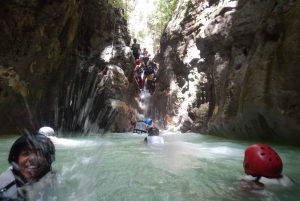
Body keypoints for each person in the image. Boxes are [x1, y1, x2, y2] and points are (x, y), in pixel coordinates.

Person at [0, 133, 55, 200]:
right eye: (26, 153)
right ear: (17, 160)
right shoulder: (4, 186)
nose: (33, 159)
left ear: (47, 159)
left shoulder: (55, 180)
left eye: (40, 153)